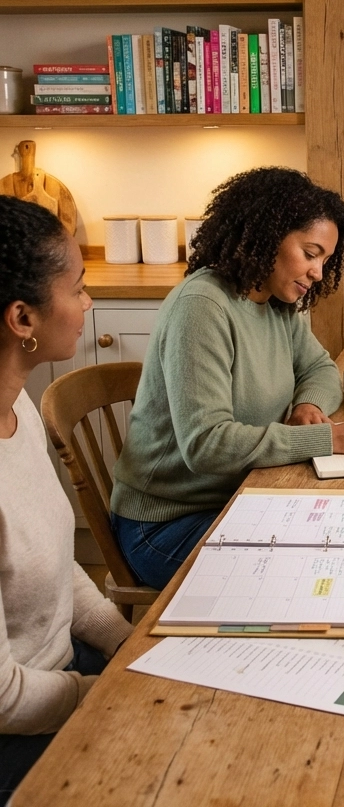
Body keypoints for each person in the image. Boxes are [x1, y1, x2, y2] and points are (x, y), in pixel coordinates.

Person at [111, 168, 344, 590]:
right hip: (165, 524)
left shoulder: (275, 302)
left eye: (325, 260)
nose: (318, 272)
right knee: (315, 572)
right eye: (310, 252)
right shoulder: (202, 307)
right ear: (266, 234)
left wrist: (308, 407)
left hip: (239, 496)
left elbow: (321, 370)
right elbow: (207, 446)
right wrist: (330, 439)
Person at [0, 196, 135, 801]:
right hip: (19, 730)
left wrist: (120, 637)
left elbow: (57, 562)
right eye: (77, 288)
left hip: (69, 670)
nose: (87, 303)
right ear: (22, 319)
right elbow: (4, 698)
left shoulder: (17, 405)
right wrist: (103, 693)